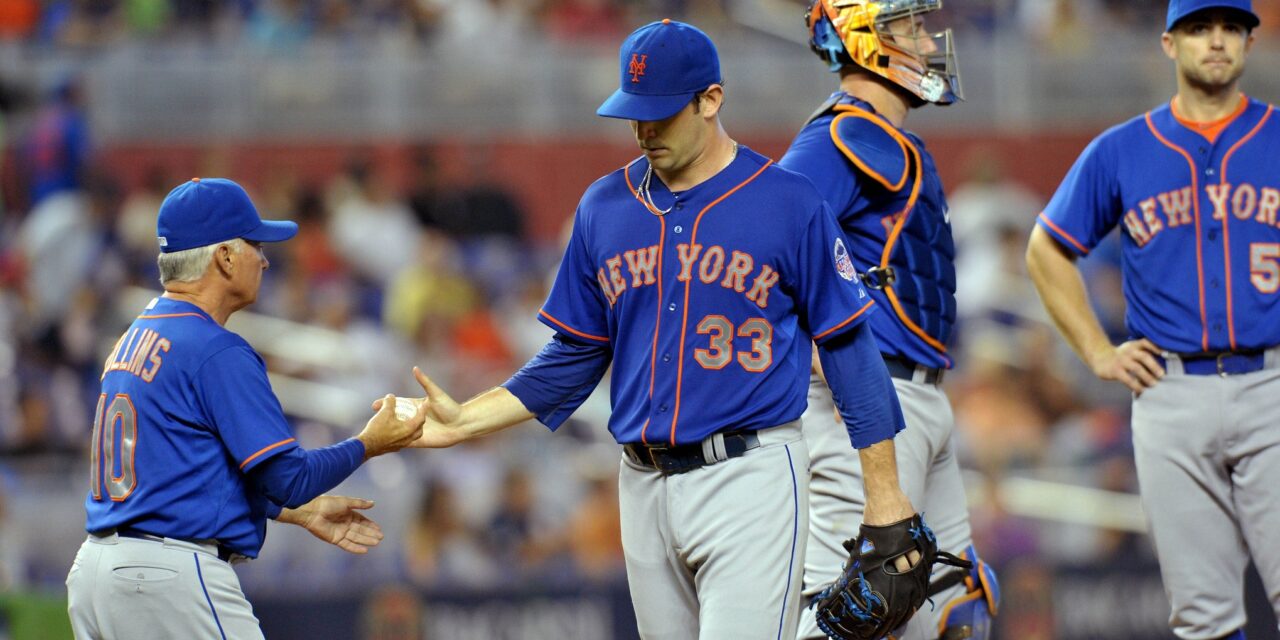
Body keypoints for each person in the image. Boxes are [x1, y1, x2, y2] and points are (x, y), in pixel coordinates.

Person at [391, 19, 922, 638]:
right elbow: (573, 357)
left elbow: (849, 347)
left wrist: (884, 495)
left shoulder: (790, 201)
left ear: (710, 100)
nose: (645, 131)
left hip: (749, 474)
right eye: (635, 115)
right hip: (640, 483)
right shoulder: (603, 206)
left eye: (663, 115)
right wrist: (467, 420)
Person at [65, 178, 428, 640]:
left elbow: (179, 468)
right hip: (169, 578)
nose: (265, 258)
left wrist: (292, 513)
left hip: (98, 572)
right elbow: (290, 479)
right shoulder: (215, 349)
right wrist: (370, 443)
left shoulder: (137, 334)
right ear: (224, 257)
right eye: (255, 244)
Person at [1025, 2, 1280, 639]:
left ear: (1249, 40)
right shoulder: (1122, 150)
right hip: (1169, 391)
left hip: (1273, 387)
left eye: (1230, 28)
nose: (1216, 42)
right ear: (1169, 43)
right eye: (1200, 28)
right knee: (1203, 614)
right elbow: (1047, 249)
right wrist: (1098, 353)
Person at [780, 2, 1000, 638]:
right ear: (864, 38)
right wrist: (821, 356)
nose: (927, 38)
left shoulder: (887, 135)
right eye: (909, 26)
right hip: (870, 407)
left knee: (958, 604)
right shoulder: (840, 136)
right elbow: (768, 242)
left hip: (921, 394)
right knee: (855, 610)